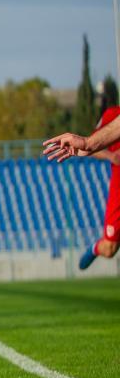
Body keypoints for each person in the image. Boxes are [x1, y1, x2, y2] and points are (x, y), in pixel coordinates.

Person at [70, 83, 120, 270]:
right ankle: (95, 248)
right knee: (109, 248)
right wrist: (111, 155)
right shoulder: (113, 115)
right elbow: (91, 146)